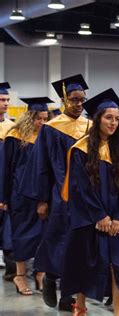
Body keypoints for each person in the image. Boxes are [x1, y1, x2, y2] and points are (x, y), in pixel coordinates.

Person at [60, 89, 119, 316]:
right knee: (85, 263)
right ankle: (80, 308)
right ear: (97, 118)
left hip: (116, 222)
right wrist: (100, 216)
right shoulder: (81, 149)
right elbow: (80, 188)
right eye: (108, 117)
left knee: (118, 267)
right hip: (91, 220)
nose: (113, 123)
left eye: (116, 118)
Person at [20, 74, 90, 311]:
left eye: (82, 99)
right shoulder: (51, 128)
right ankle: (50, 276)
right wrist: (42, 200)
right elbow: (41, 166)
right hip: (60, 195)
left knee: (79, 247)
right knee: (58, 241)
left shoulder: (90, 126)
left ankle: (67, 297)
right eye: (74, 99)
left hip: (86, 198)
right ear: (64, 100)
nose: (79, 104)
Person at [1, 97, 50, 295]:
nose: (42, 122)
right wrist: (3, 197)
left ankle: (40, 273)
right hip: (20, 194)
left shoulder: (47, 137)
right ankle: (20, 276)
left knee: (43, 235)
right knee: (21, 235)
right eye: (39, 118)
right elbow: (6, 168)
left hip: (42, 195)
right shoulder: (15, 136)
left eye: (46, 118)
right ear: (30, 117)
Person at [0, 82, 16, 281]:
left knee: (8, 228)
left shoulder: (12, 127)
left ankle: (12, 269)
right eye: (2, 100)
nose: (5, 103)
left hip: (6, 184)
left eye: (6, 100)